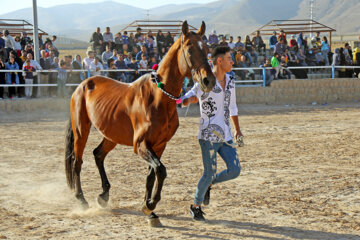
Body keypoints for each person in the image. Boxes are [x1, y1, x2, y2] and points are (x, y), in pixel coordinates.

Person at [180, 46, 242, 221]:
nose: (232, 62)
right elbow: (191, 96)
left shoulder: (230, 80)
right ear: (219, 61)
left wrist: (237, 129)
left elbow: (233, 107)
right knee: (209, 172)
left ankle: (209, 185)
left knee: (235, 170)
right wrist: (187, 101)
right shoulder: (205, 80)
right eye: (230, 58)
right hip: (208, 136)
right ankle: (195, 206)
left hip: (227, 135)